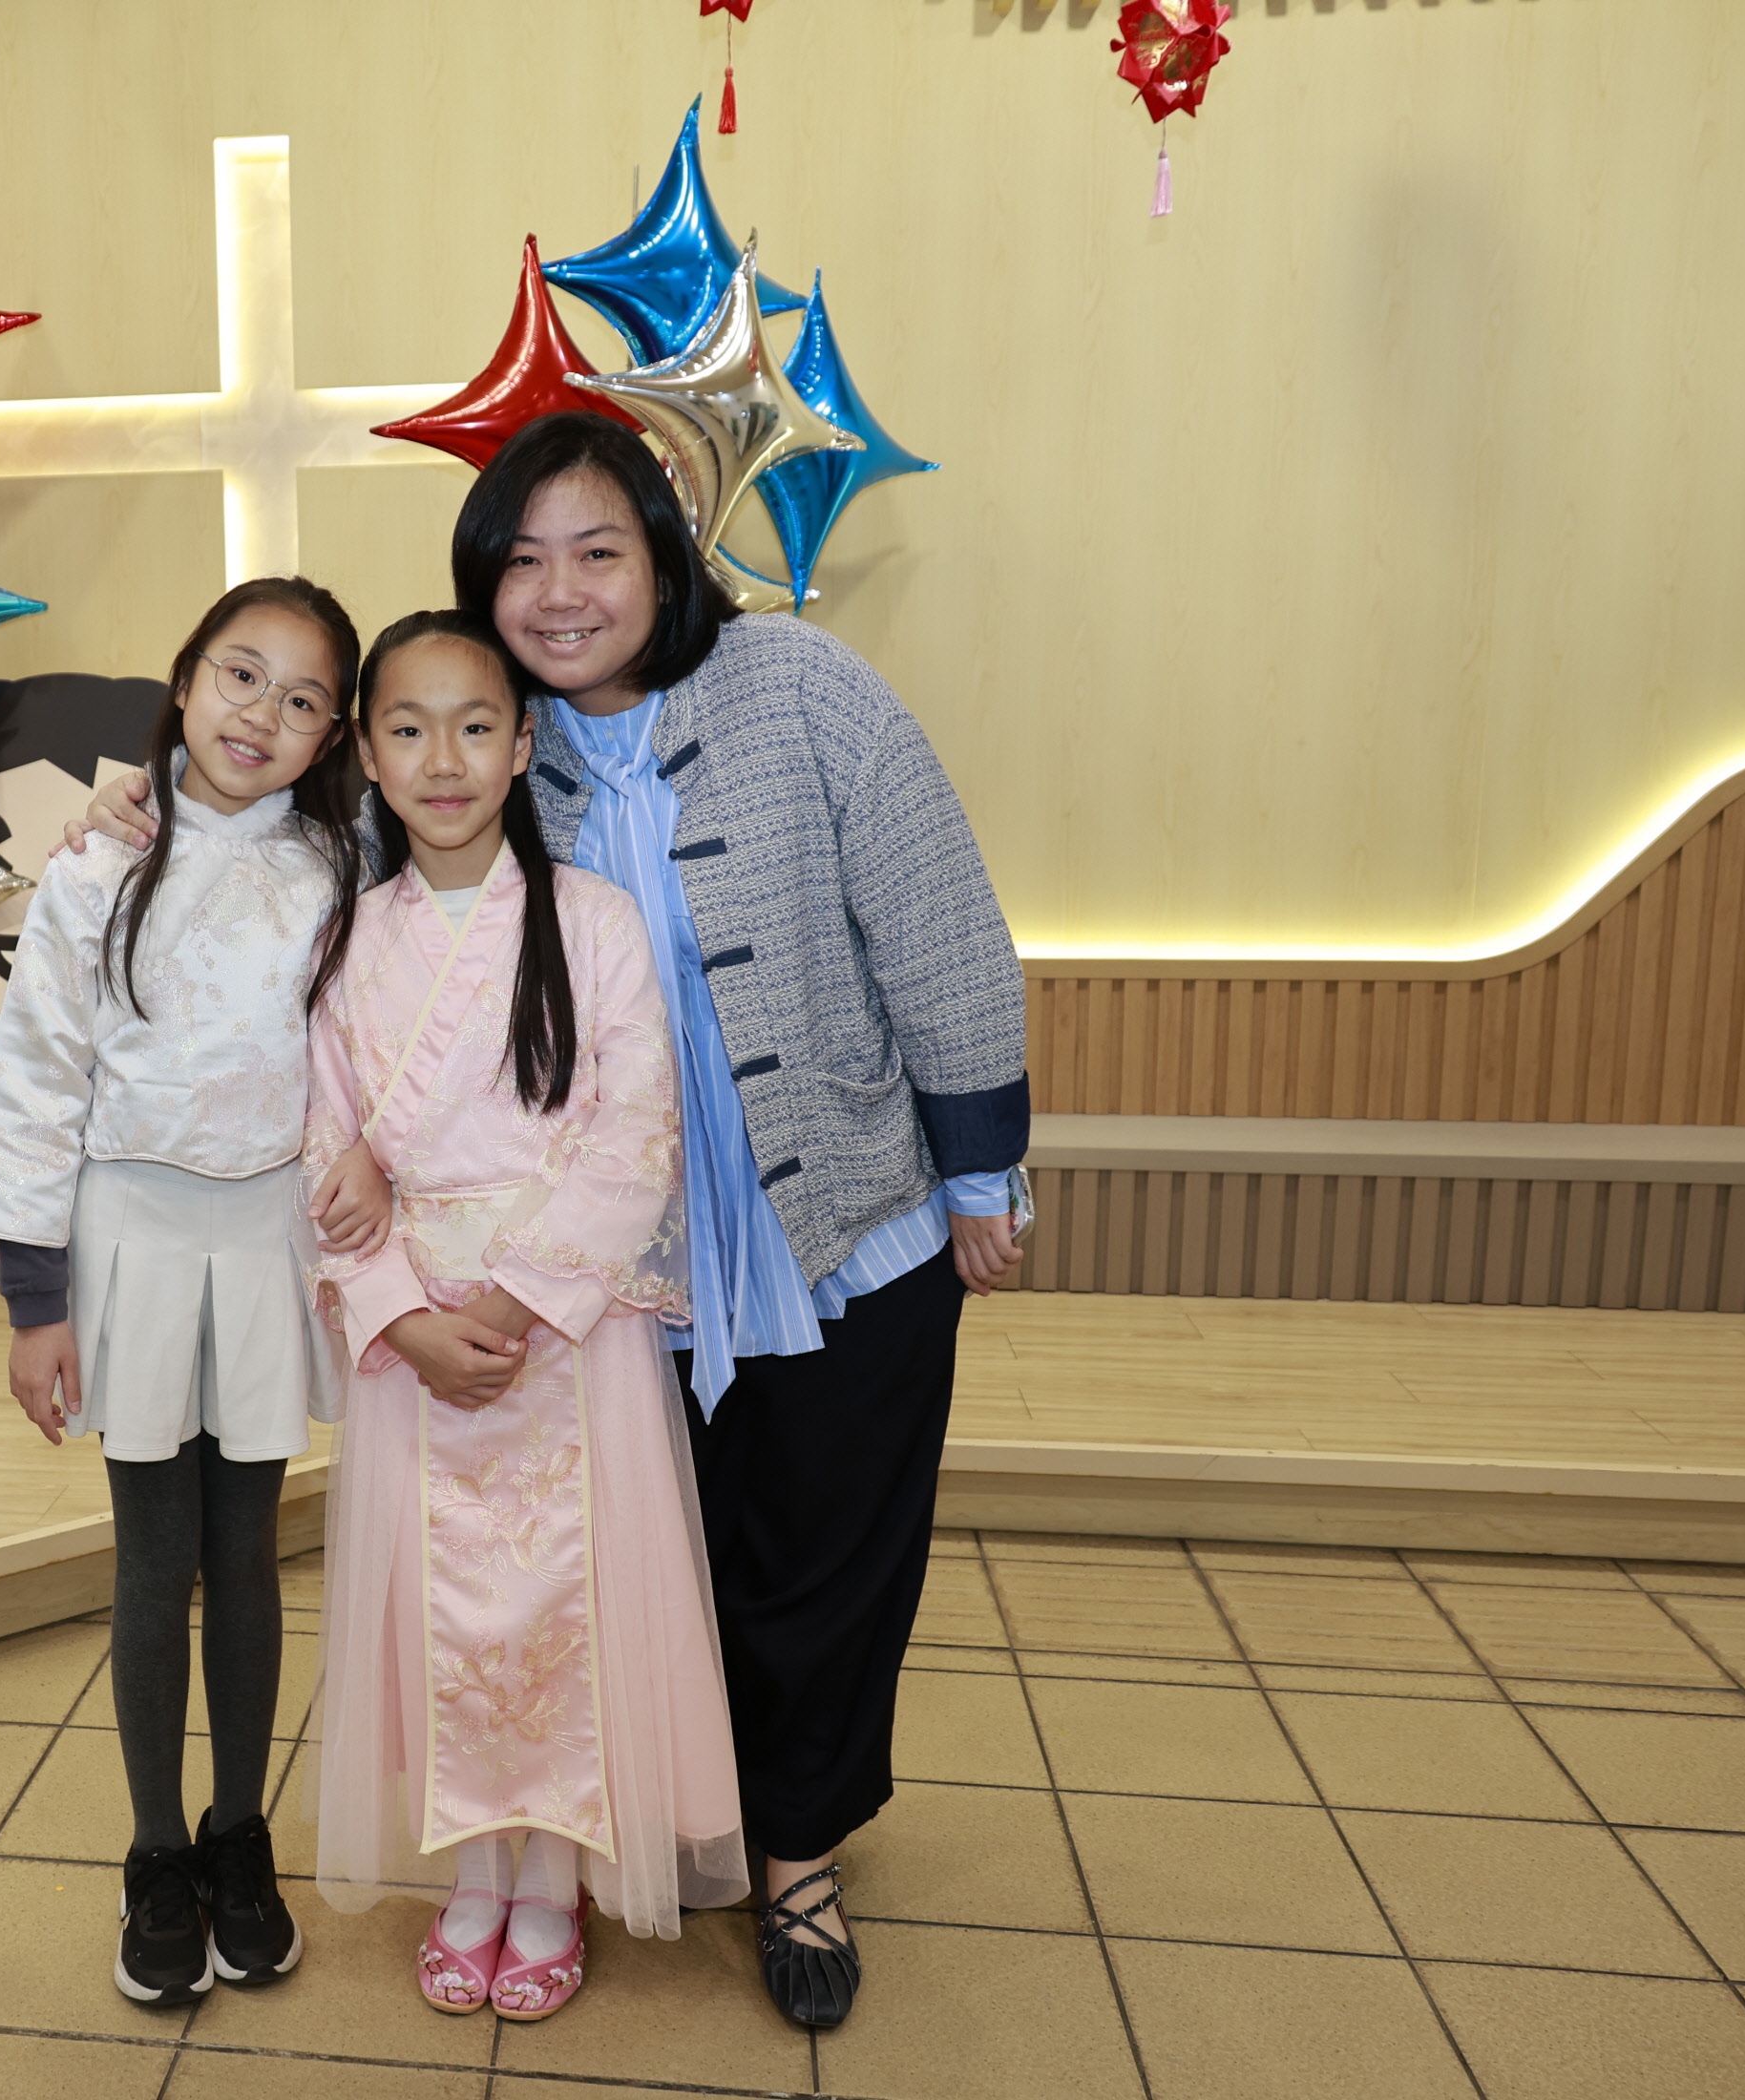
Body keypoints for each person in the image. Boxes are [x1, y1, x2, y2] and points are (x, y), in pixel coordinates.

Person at [83, 410, 1031, 2030]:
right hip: (618, 1285)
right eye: (522, 560)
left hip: (823, 1219)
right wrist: (139, 807)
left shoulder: (801, 688)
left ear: (665, 555)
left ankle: (798, 1859)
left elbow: (938, 923)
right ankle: (624, 1834)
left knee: (826, 1556)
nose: (562, 590)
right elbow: (286, 867)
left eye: (599, 550)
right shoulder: (462, 767)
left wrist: (981, 1166)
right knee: (640, 1576)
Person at [303, 609, 744, 2025]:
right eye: (408, 728)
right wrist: (400, 1313)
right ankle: (473, 1870)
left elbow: (637, 1130)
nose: (444, 759)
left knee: (565, 1607)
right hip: (418, 1339)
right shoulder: (348, 942)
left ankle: (552, 1876)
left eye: (476, 725)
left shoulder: (593, 922)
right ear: (368, 754)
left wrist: (524, 1294)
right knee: (442, 1620)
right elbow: (324, 1151)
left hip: (566, 1325)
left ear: (523, 744)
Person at [0, 576, 371, 2006]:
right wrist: (36, 1302)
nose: (262, 713)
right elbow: (37, 1080)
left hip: (270, 1239)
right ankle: (155, 1855)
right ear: (188, 677)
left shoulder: (343, 871)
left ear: (333, 736)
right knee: (153, 1563)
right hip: (128, 1238)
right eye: (241, 674)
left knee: (249, 1555)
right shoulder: (97, 865)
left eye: (303, 698)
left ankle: (238, 1837)